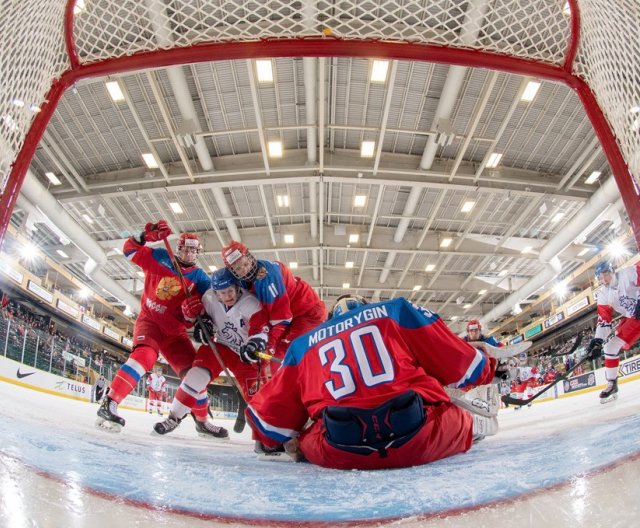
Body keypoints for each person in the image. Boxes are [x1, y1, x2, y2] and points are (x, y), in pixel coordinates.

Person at [245, 294, 504, 470]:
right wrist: (485, 362)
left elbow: (270, 425)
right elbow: (467, 368)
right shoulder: (394, 310)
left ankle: (305, 445)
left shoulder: (302, 346)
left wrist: (277, 437)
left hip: (341, 452)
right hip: (420, 440)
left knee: (305, 439)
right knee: (448, 411)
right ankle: (468, 423)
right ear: (364, 305)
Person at [96, 220, 228, 439]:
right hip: (150, 322)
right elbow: (129, 251)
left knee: (195, 376)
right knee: (144, 357)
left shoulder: (201, 280)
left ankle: (202, 422)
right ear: (178, 248)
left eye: (193, 250)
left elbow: (210, 309)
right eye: (185, 248)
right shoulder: (159, 257)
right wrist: (143, 237)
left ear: (198, 253)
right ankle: (109, 403)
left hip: (175, 334)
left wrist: (202, 321)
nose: (189, 253)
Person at [154, 268, 262, 436]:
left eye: (230, 291)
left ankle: (268, 435)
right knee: (195, 376)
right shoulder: (209, 298)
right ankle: (174, 418)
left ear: (237, 287)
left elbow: (261, 328)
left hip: (245, 355)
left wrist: (256, 342)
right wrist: (202, 327)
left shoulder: (250, 303)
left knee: (259, 401)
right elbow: (201, 322)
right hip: (220, 347)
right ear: (216, 293)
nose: (228, 296)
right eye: (222, 293)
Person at [220, 241, 327, 366]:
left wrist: (269, 346)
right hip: (291, 314)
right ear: (232, 272)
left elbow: (282, 319)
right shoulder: (242, 282)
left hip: (307, 313)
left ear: (249, 258)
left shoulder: (267, 278)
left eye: (245, 264)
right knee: (275, 358)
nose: (244, 269)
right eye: (238, 268)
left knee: (288, 355)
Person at [587, 258, 640, 403]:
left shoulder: (628, 273)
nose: (604, 279)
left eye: (606, 274)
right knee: (610, 346)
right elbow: (604, 320)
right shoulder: (604, 295)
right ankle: (612, 384)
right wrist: (597, 341)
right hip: (635, 319)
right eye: (600, 277)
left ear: (612, 271)